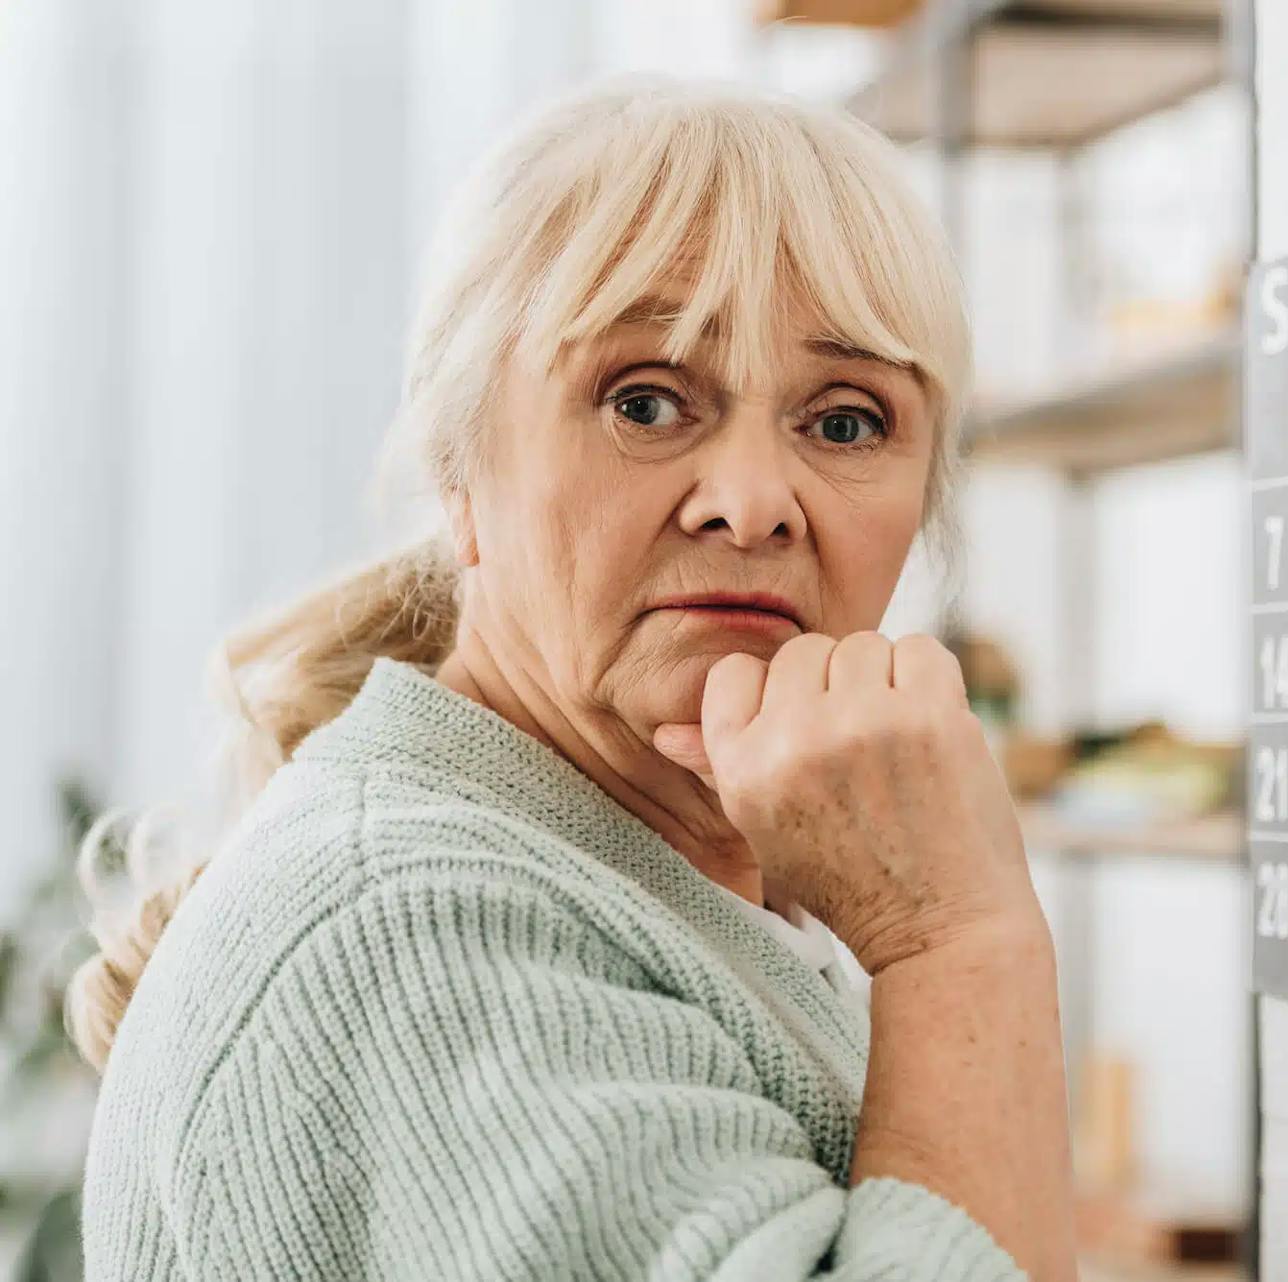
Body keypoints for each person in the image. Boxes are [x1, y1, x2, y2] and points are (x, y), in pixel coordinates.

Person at [66, 74, 1076, 1282]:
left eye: (847, 421)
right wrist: (958, 942)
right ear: (460, 476)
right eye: (645, 401)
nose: (753, 503)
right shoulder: (415, 922)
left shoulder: (652, 880)